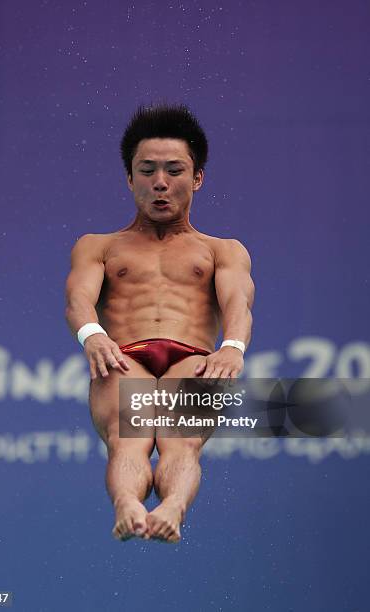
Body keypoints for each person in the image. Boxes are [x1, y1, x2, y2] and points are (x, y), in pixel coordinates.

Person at [65, 104, 255, 543]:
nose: (161, 182)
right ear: (130, 178)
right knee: (125, 440)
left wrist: (233, 347)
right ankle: (127, 503)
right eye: (147, 170)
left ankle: (173, 505)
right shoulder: (98, 246)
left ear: (198, 177)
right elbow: (78, 298)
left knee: (182, 442)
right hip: (122, 356)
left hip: (191, 360)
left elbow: (238, 303)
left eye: (174, 170)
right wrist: (91, 335)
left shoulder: (222, 250)